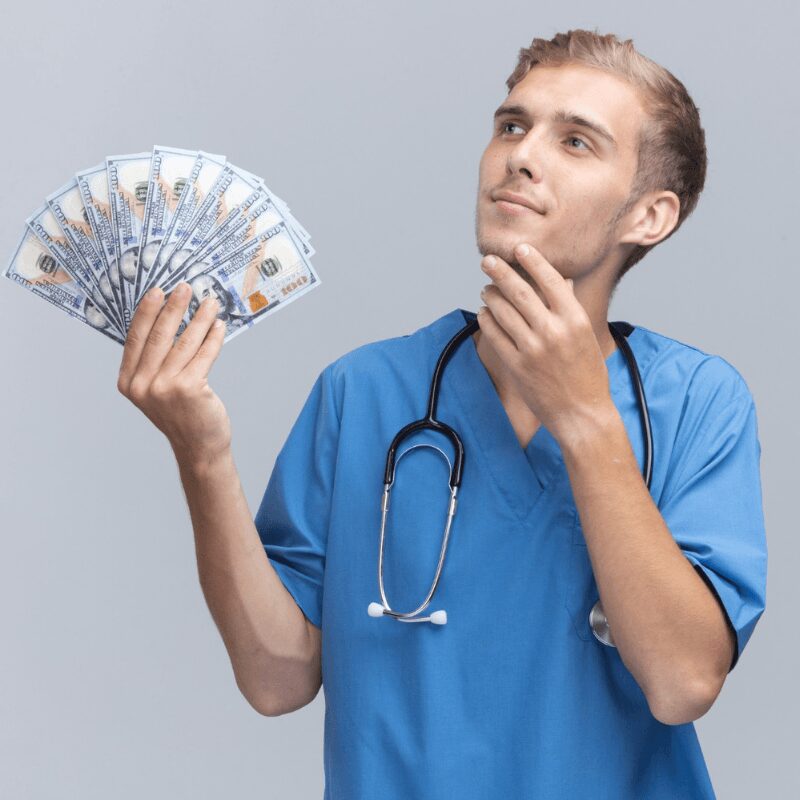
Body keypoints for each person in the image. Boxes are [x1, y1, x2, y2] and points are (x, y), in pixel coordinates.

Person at [116, 28, 767, 800]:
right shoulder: (364, 390)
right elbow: (276, 677)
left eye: (578, 142)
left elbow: (683, 683)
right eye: (512, 125)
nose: (520, 155)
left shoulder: (696, 402)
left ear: (649, 216)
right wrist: (201, 453)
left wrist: (586, 420)